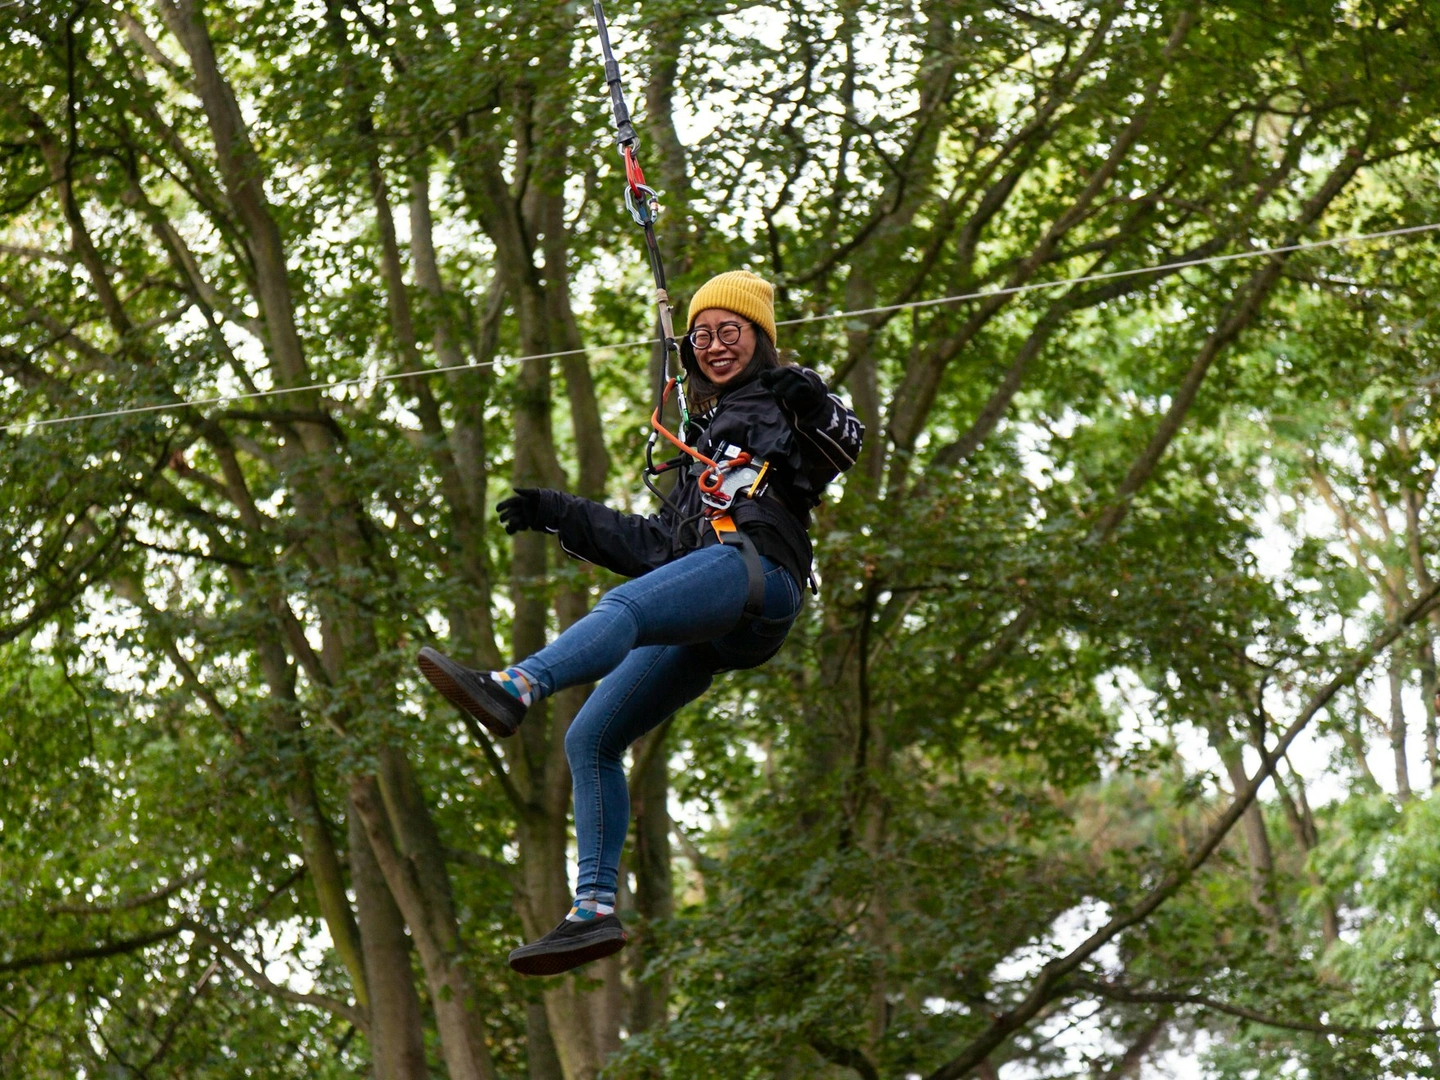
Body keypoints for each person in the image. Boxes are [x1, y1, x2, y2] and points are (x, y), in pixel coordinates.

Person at [417, 270, 864, 976]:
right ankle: (592, 910)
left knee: (624, 611)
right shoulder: (698, 451)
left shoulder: (785, 406)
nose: (716, 345)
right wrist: (563, 512)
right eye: (704, 335)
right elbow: (656, 548)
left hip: (760, 572)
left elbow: (845, 442)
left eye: (732, 331)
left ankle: (517, 686)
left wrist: (809, 397)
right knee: (591, 735)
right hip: (717, 618)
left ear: (760, 339)